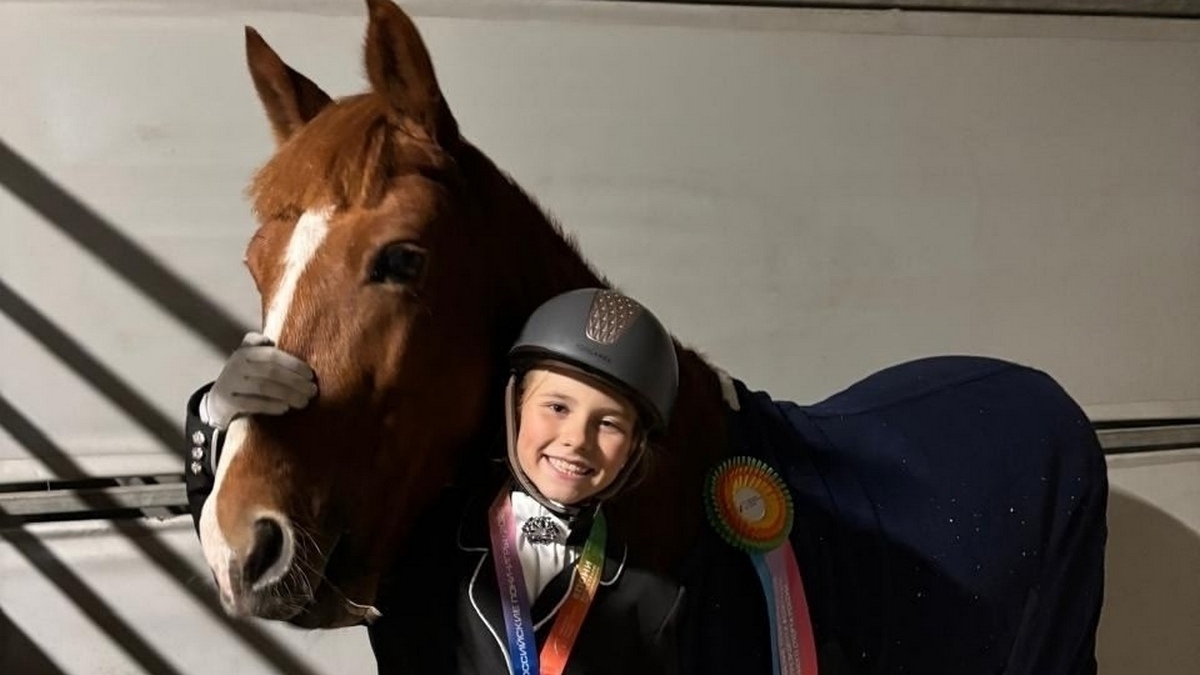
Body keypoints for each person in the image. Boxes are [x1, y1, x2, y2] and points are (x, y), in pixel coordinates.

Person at [183, 287, 684, 674]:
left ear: (635, 447)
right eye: (556, 407)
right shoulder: (418, 534)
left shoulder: (658, 593)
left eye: (609, 424)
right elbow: (269, 581)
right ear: (514, 405)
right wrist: (215, 418)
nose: (576, 439)